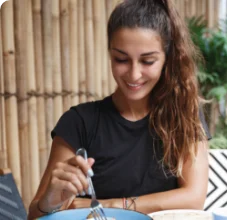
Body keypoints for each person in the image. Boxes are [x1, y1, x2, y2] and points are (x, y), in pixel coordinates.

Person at [27, 0, 211, 219]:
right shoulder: (79, 122)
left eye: (148, 61)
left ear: (167, 59)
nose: (134, 74)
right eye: (121, 59)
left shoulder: (184, 114)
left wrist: (113, 205)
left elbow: (193, 198)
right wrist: (50, 202)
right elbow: (35, 215)